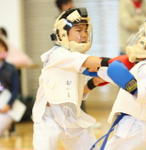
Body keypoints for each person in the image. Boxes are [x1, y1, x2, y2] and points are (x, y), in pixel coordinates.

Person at [32, 8, 105, 150]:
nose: (84, 35)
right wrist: (122, 63)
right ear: (63, 33)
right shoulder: (59, 55)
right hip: (48, 118)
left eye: (85, 30)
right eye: (78, 31)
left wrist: (93, 83)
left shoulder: (76, 58)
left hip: (71, 116)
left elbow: (78, 92)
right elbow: (95, 62)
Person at [97, 19, 146, 150]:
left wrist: (131, 87)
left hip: (134, 126)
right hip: (139, 125)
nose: (137, 42)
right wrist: (99, 69)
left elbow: (145, 93)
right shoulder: (141, 66)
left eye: (141, 38)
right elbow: (120, 77)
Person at [0, 34, 19, 136]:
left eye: (1, 47)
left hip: (7, 106)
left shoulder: (11, 68)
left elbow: (16, 90)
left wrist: (8, 104)